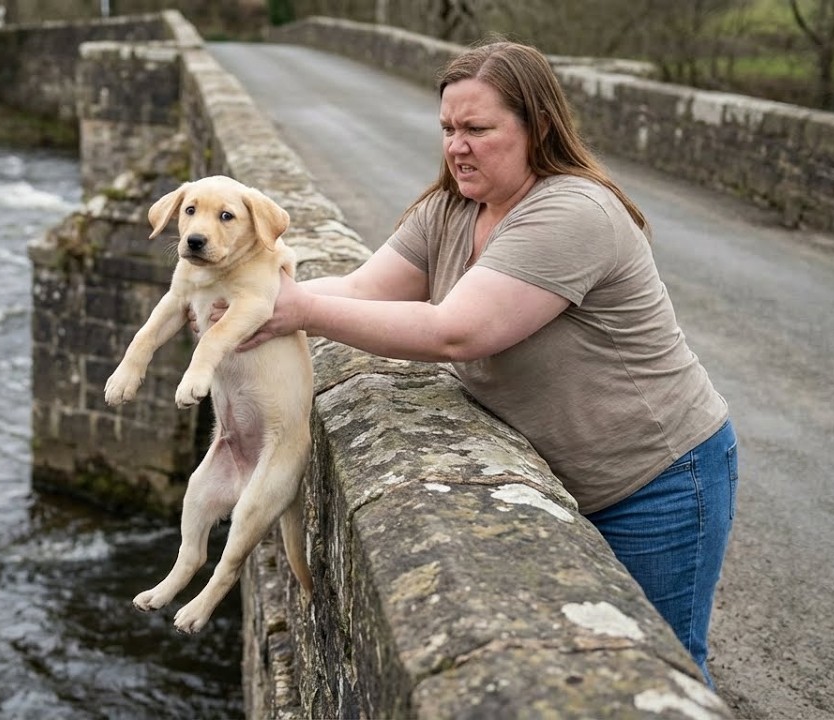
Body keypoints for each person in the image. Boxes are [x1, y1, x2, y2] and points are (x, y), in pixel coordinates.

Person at [225, 40, 737, 685]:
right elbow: (360, 290)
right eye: (447, 128)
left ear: (538, 127)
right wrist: (246, 302)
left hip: (655, 479)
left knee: (659, 672)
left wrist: (293, 312)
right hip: (569, 471)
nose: (456, 146)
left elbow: (455, 334)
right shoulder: (449, 209)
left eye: (477, 129)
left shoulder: (572, 212)